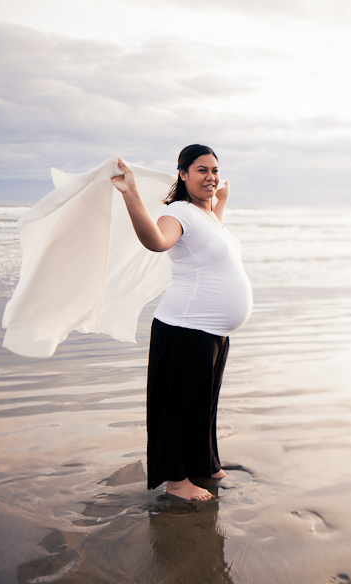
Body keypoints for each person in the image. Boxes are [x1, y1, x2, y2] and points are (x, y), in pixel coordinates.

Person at [111, 144, 253, 501]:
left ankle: (204, 464)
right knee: (177, 408)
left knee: (203, 404)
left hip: (213, 332)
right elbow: (157, 242)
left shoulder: (208, 217)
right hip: (185, 327)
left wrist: (221, 197)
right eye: (201, 170)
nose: (211, 177)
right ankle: (176, 482)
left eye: (215, 170)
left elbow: (213, 224)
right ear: (183, 174)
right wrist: (131, 194)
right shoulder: (179, 213)